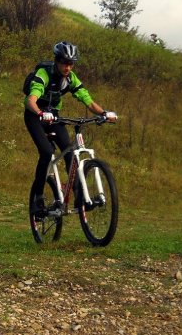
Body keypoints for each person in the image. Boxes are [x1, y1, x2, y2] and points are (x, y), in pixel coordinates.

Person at [24, 41, 117, 215]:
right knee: (46, 152)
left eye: (71, 64)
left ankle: (79, 197)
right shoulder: (44, 74)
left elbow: (87, 100)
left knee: (69, 153)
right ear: (57, 61)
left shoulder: (70, 78)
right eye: (64, 63)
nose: (68, 67)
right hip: (35, 116)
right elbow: (31, 100)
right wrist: (39, 112)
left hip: (54, 117)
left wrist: (104, 113)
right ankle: (37, 198)